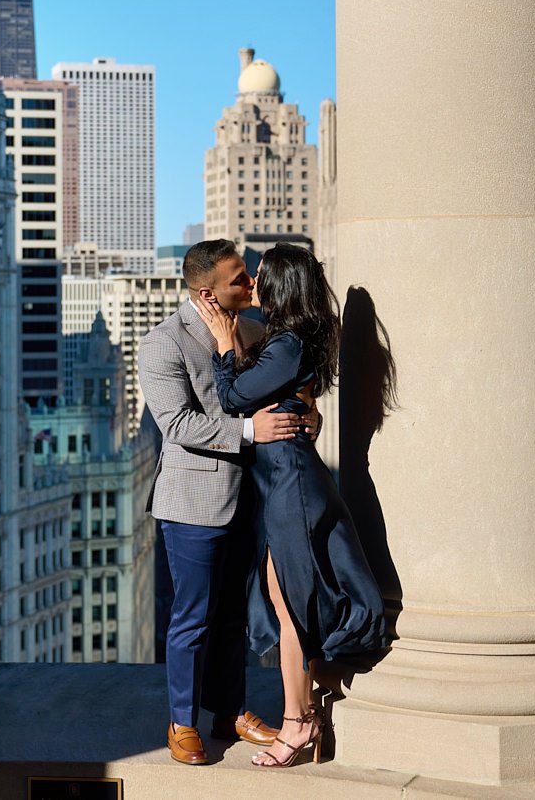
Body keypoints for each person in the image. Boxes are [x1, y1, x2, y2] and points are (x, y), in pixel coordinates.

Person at [197, 242, 386, 768]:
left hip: (291, 487)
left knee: (293, 606)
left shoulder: (286, 345)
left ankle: (297, 724)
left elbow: (233, 401)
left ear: (282, 286)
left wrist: (223, 344)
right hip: (284, 482)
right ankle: (307, 716)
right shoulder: (290, 341)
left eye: (261, 277)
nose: (253, 284)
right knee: (286, 603)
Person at [137, 239, 321, 765]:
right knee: (192, 617)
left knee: (235, 616)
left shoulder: (257, 331)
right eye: (240, 279)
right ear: (207, 293)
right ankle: (180, 722)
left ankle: (230, 712)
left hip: (252, 497)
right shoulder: (162, 345)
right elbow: (178, 424)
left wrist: (308, 416)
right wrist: (249, 430)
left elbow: (290, 392)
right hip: (193, 503)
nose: (252, 283)